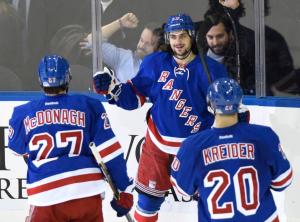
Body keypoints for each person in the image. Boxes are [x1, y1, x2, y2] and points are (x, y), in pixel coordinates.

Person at [93, 13, 228, 221]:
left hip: (195, 146)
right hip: (157, 146)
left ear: (191, 36)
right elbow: (134, 97)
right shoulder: (155, 63)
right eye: (173, 37)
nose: (178, 42)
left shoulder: (212, 70)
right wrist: (113, 89)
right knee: (147, 202)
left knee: (210, 201)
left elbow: (228, 112)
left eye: (182, 36)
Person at [7, 54, 134, 221]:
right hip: (87, 191)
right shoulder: (89, 105)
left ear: (40, 79)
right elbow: (110, 151)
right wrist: (123, 188)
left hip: (45, 194)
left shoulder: (22, 113)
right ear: (68, 77)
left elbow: (17, 149)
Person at [171, 77, 293, 222]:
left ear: (210, 106)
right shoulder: (264, 136)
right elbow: (282, 182)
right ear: (240, 102)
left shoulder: (192, 146)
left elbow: (183, 191)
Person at [80, 12, 164, 83]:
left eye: (147, 44)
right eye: (141, 40)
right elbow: (91, 41)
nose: (141, 46)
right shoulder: (123, 58)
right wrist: (120, 23)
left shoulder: (170, 70)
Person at [203, 12, 255, 95]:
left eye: (220, 36)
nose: (215, 42)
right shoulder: (198, 58)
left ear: (230, 34)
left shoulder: (243, 58)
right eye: (210, 37)